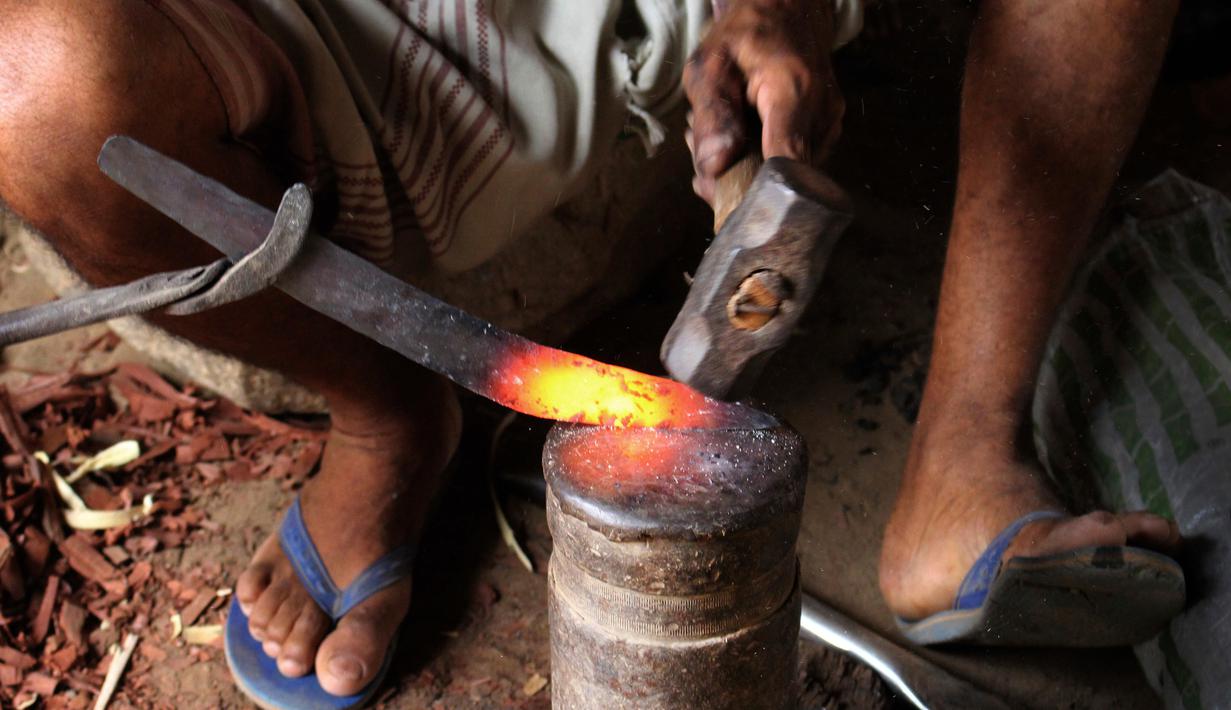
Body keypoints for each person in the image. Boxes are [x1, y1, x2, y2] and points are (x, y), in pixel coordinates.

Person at [0, 0, 1186, 704]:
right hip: (346, 46)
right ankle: (391, 417)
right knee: (38, 78)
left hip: (658, 27)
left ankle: (967, 452)